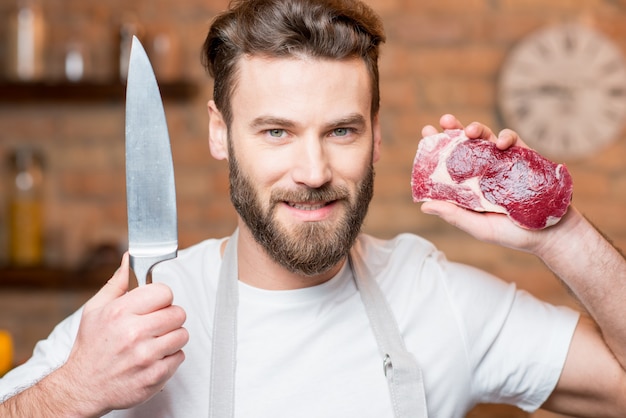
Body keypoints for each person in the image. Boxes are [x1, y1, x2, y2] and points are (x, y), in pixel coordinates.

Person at [1, 0, 626, 416]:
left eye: (341, 131)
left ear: (376, 134)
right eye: (276, 131)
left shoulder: (434, 294)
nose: (313, 172)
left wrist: (559, 232)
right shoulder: (145, 313)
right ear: (221, 133)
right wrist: (75, 389)